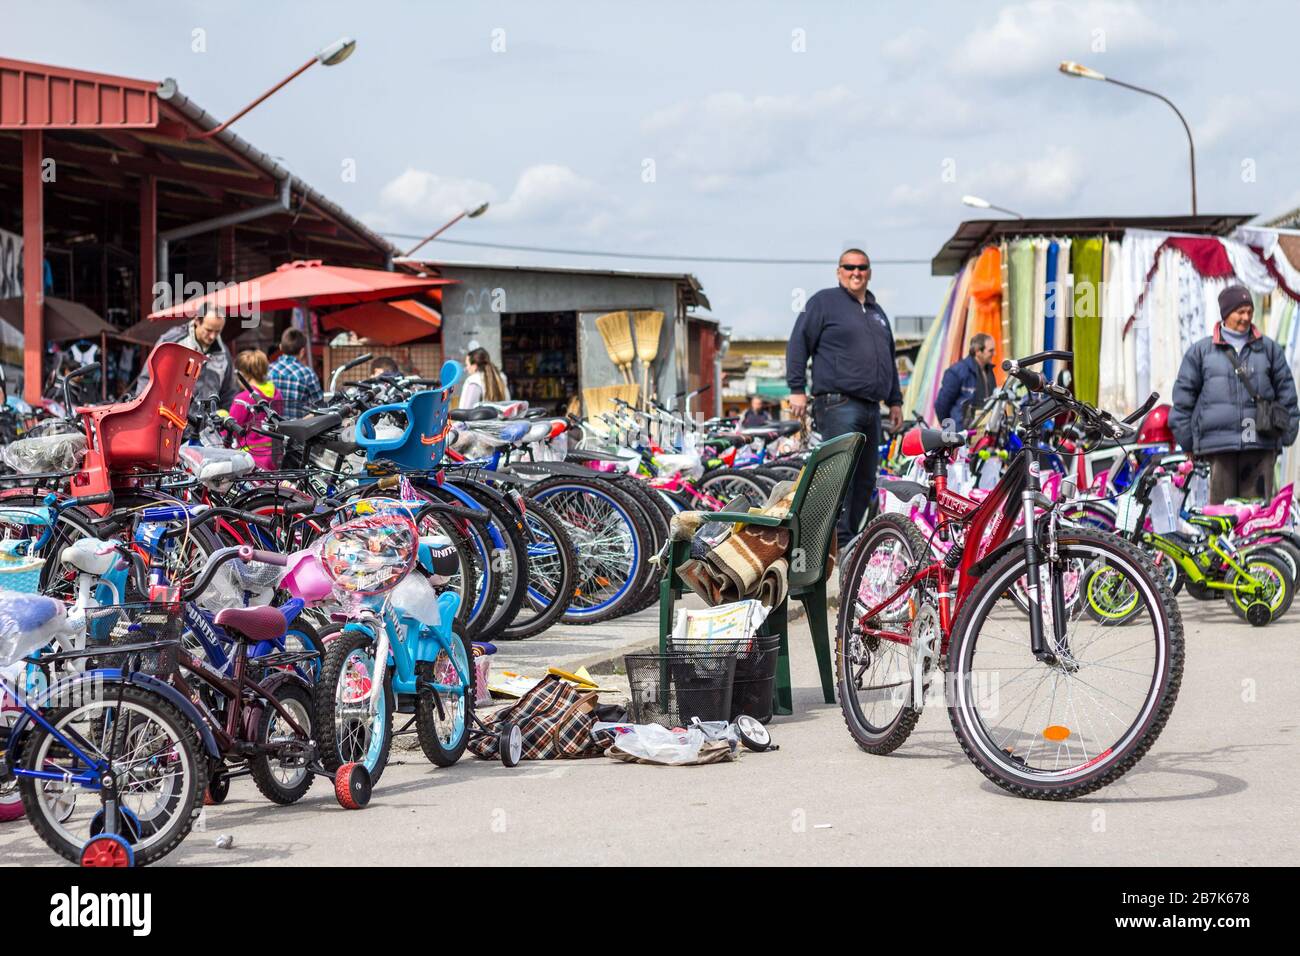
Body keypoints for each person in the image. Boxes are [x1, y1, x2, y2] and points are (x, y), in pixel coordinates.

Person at [787, 248, 903, 546]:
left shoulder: (877, 312)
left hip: (872, 407)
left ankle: (847, 540)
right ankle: (834, 542)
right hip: (838, 403)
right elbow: (798, 343)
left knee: (865, 478)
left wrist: (895, 401)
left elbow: (888, 358)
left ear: (869, 272)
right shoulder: (823, 302)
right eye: (849, 267)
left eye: (862, 267)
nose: (856, 272)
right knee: (841, 475)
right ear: (839, 271)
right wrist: (797, 389)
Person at [1170, 284, 1300, 503]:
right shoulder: (1201, 352)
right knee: (1220, 515)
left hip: (1261, 445)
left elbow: (1287, 393)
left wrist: (1288, 432)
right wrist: (1188, 442)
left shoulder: (1269, 349)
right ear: (1226, 313)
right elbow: (1183, 400)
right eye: (1240, 312)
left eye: (1249, 311)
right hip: (1217, 448)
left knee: (1258, 515)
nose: (1246, 317)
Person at [137, 302, 235, 411]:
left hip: (208, 420)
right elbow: (148, 378)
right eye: (209, 330)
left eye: (217, 332)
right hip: (172, 417)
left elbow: (228, 393)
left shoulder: (224, 354)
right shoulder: (173, 342)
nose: (212, 336)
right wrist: (143, 411)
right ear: (197, 321)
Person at [227, 349, 284, 469]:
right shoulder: (277, 394)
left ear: (243, 374)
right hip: (275, 457)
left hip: (250, 460)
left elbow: (231, 428)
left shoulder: (242, 399)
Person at [934, 333, 998, 430]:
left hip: (982, 430)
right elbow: (941, 405)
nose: (994, 354)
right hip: (962, 433)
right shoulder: (957, 372)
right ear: (978, 351)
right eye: (991, 351)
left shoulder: (989, 371)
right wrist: (951, 429)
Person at [269, 327, 324, 421]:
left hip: (272, 427)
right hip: (299, 428)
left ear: (280, 347)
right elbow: (319, 408)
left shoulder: (268, 370)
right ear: (302, 352)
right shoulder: (308, 374)